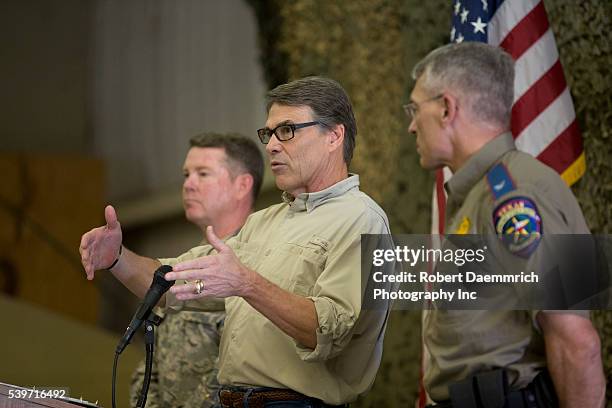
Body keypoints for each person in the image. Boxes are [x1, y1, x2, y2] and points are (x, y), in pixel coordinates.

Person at [80, 76, 392, 407]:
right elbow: (171, 283)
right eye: (268, 133)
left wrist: (246, 283)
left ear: (334, 135)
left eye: (287, 130)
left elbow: (330, 331)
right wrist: (118, 258)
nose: (271, 145)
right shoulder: (264, 222)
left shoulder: (362, 219)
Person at [406, 42, 605, 407]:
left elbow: (576, 341)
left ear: (447, 108)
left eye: (415, 109)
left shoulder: (513, 195)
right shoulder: (483, 192)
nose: (410, 126)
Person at [129, 132, 264, 407]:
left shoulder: (258, 264)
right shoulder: (185, 262)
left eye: (203, 174)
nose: (188, 184)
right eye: (186, 174)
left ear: (242, 185)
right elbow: (150, 365)